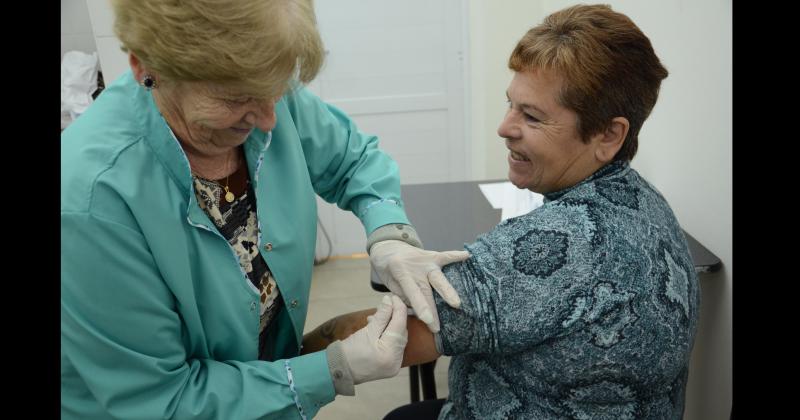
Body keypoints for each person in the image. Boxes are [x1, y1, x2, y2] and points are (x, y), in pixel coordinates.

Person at [60, 0, 468, 418]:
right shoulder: (92, 202)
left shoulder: (263, 102)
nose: (271, 120)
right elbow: (161, 400)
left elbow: (354, 159)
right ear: (145, 67)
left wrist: (389, 234)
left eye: (276, 89)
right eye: (238, 98)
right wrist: (327, 372)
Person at [305, 4, 700, 419]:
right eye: (510, 104)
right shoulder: (647, 202)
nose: (504, 126)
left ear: (608, 134)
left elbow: (384, 335)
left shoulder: (555, 249)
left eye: (531, 116)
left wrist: (277, 368)